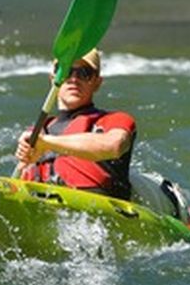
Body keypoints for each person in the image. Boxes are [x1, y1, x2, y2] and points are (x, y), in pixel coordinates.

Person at [15, 48, 136, 200]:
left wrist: (46, 143)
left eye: (84, 73)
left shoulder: (115, 119)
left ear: (97, 83)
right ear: (53, 79)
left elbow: (115, 145)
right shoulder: (38, 130)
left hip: (95, 209)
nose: (74, 79)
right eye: (66, 71)